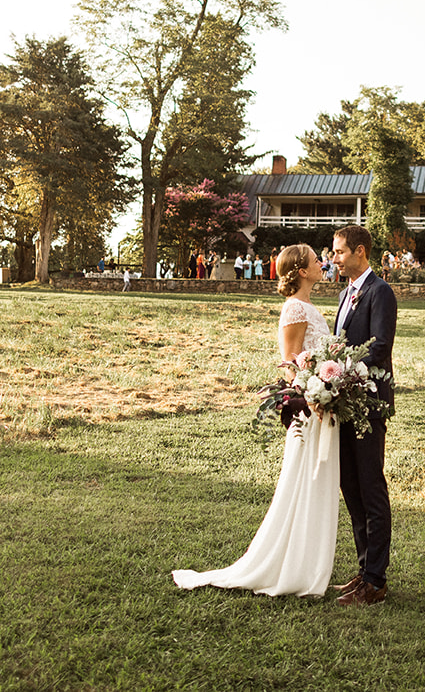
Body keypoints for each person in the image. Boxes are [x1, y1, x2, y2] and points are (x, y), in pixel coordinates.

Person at [172, 244, 340, 597]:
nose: (321, 263)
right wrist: (314, 391)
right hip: (310, 407)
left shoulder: (308, 306)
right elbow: (290, 362)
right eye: (315, 260)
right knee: (302, 480)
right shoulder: (295, 308)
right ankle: (287, 564)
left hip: (324, 406)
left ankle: (307, 562)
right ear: (302, 270)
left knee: (317, 481)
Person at [329, 224, 396, 606]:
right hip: (343, 404)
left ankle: (376, 580)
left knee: (370, 488)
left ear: (359, 252)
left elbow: (380, 348)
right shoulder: (345, 294)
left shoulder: (380, 292)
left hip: (368, 403)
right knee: (350, 486)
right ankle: (362, 570)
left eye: (339, 253)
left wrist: (341, 374)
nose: (333, 259)